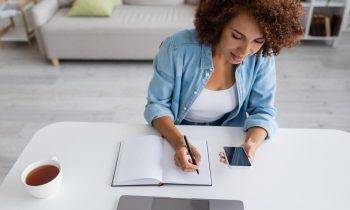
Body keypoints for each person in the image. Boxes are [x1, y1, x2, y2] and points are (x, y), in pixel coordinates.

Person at [144, 0, 304, 172]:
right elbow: (157, 106)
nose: (244, 51)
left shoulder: (262, 58)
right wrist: (179, 143)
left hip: (230, 138)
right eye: (237, 36)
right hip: (176, 133)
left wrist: (251, 144)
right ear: (218, 22)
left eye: (258, 41)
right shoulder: (177, 47)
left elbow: (263, 111)